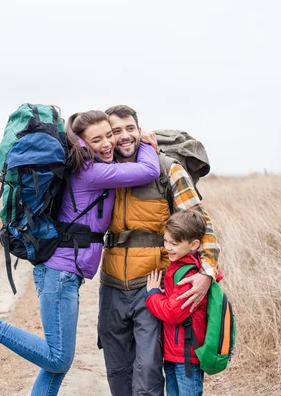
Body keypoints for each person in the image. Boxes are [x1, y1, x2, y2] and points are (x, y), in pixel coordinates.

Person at [0, 110, 160, 396]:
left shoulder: (91, 166)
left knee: (56, 364)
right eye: (97, 139)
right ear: (81, 143)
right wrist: (149, 146)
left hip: (65, 271)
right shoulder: (91, 172)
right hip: (60, 271)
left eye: (109, 135)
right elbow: (151, 171)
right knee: (58, 357)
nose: (107, 143)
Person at [98, 105, 219, 396]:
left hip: (153, 285)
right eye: (116, 131)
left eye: (130, 128)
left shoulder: (167, 169)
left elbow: (202, 225)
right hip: (111, 285)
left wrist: (207, 273)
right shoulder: (102, 170)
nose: (124, 136)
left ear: (140, 130)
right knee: (117, 372)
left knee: (148, 373)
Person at [145, 210, 210, 396]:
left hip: (187, 356)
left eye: (175, 243)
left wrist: (153, 295)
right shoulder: (177, 267)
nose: (168, 248)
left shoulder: (190, 275)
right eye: (166, 241)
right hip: (175, 353)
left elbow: (173, 312)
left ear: (193, 245)